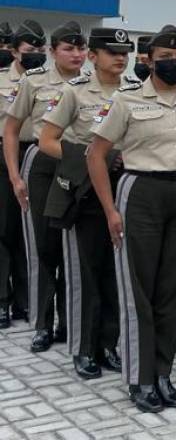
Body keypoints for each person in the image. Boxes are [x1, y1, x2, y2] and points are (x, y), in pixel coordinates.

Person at [87, 25, 176, 412]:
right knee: (138, 290)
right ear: (148, 61)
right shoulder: (126, 100)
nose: (174, 63)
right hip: (141, 193)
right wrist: (110, 209)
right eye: (166, 58)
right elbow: (95, 154)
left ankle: (163, 371)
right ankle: (140, 377)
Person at [39, 27, 131, 378]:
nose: (120, 58)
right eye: (112, 52)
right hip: (84, 193)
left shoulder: (136, 93)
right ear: (93, 57)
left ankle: (108, 343)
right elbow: (48, 141)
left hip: (124, 192)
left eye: (124, 52)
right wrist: (93, 159)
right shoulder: (74, 93)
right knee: (85, 275)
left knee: (114, 274)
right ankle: (83, 347)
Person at [5, 21, 88, 352]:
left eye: (81, 48)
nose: (77, 54)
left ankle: (69, 320)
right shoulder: (34, 81)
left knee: (74, 247)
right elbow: (11, 130)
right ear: (53, 52)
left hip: (79, 166)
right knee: (43, 247)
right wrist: (14, 176)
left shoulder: (94, 85)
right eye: (68, 48)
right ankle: (42, 323)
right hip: (42, 166)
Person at [0, 21, 38, 329]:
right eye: (29, 50)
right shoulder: (2, 79)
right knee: (4, 231)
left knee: (30, 233)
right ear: (15, 52)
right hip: (5, 157)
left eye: (40, 49)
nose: (36, 55)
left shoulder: (48, 82)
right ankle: (2, 299)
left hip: (37, 155)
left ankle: (26, 300)